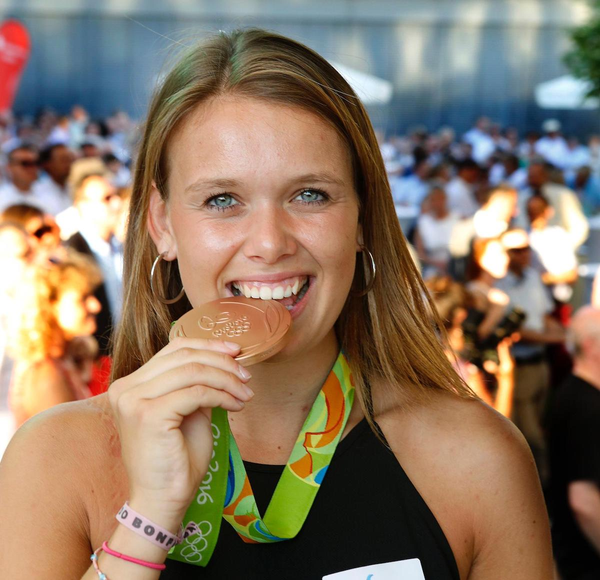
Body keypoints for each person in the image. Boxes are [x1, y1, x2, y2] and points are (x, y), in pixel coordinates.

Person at [0, 29, 552, 579]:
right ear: (161, 223)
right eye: (222, 199)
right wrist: (148, 517)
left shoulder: (478, 460)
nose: (269, 243)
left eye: (309, 194)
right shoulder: (56, 460)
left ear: (362, 217)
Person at [496, 229, 566, 481]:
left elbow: (545, 316)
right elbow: (516, 332)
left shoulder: (534, 277)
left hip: (540, 364)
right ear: (506, 254)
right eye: (517, 250)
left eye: (526, 248)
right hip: (520, 366)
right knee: (529, 436)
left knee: (542, 429)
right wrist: (559, 337)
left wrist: (562, 334)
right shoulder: (499, 285)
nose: (524, 254)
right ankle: (540, 491)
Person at [7, 250, 101, 427]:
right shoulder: (45, 375)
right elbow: (69, 448)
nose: (95, 306)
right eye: (82, 299)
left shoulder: (64, 359)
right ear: (50, 306)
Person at [548, 306, 600, 579]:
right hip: (586, 564)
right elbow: (584, 500)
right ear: (591, 346)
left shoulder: (571, 394)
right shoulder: (586, 407)